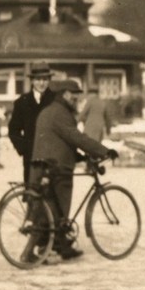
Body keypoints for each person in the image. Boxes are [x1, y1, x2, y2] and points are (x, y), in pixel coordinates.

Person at [32, 78, 119, 262]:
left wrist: (83, 157)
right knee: (57, 210)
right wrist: (104, 151)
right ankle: (47, 247)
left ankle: (62, 246)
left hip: (47, 164)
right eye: (74, 95)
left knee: (56, 210)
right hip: (56, 167)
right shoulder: (60, 113)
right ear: (65, 94)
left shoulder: (53, 110)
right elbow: (76, 138)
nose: (77, 98)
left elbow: (63, 141)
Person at [7, 63, 53, 185]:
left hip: (52, 157)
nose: (41, 83)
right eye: (38, 79)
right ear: (32, 80)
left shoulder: (56, 100)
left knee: (52, 194)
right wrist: (24, 149)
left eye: (45, 79)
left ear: (49, 80)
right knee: (32, 192)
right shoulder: (22, 102)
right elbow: (13, 130)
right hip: (31, 158)